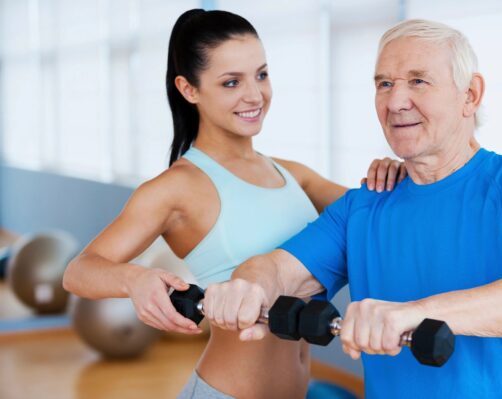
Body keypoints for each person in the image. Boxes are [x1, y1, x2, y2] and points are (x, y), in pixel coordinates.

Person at [201, 19, 502, 398]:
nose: (396, 102)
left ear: (470, 95)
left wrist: (415, 312)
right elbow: (278, 270)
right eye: (384, 83)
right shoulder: (363, 205)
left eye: (418, 81)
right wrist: (246, 286)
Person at [62, 8, 403, 399]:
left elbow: (378, 216)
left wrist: (388, 173)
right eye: (230, 82)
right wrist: (135, 279)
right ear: (189, 89)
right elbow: (79, 271)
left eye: (261, 74)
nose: (254, 95)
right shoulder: (177, 188)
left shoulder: (294, 175)